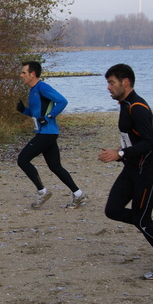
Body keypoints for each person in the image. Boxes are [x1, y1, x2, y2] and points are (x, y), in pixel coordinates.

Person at [98, 64, 153, 280]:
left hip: (148, 170)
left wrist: (121, 153)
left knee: (142, 220)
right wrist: (120, 154)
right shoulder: (125, 105)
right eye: (108, 83)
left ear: (125, 82)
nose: (108, 87)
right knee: (113, 210)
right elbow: (133, 139)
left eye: (111, 82)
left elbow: (151, 143)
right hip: (132, 168)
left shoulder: (138, 107)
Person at [16, 61, 88, 209]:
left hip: (46, 134)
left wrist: (49, 116)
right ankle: (78, 194)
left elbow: (62, 101)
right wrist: (24, 110)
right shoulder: (33, 90)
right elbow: (36, 114)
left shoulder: (42, 87)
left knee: (23, 160)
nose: (21, 75)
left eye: (24, 72)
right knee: (55, 166)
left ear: (33, 74)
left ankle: (42, 191)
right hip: (46, 133)